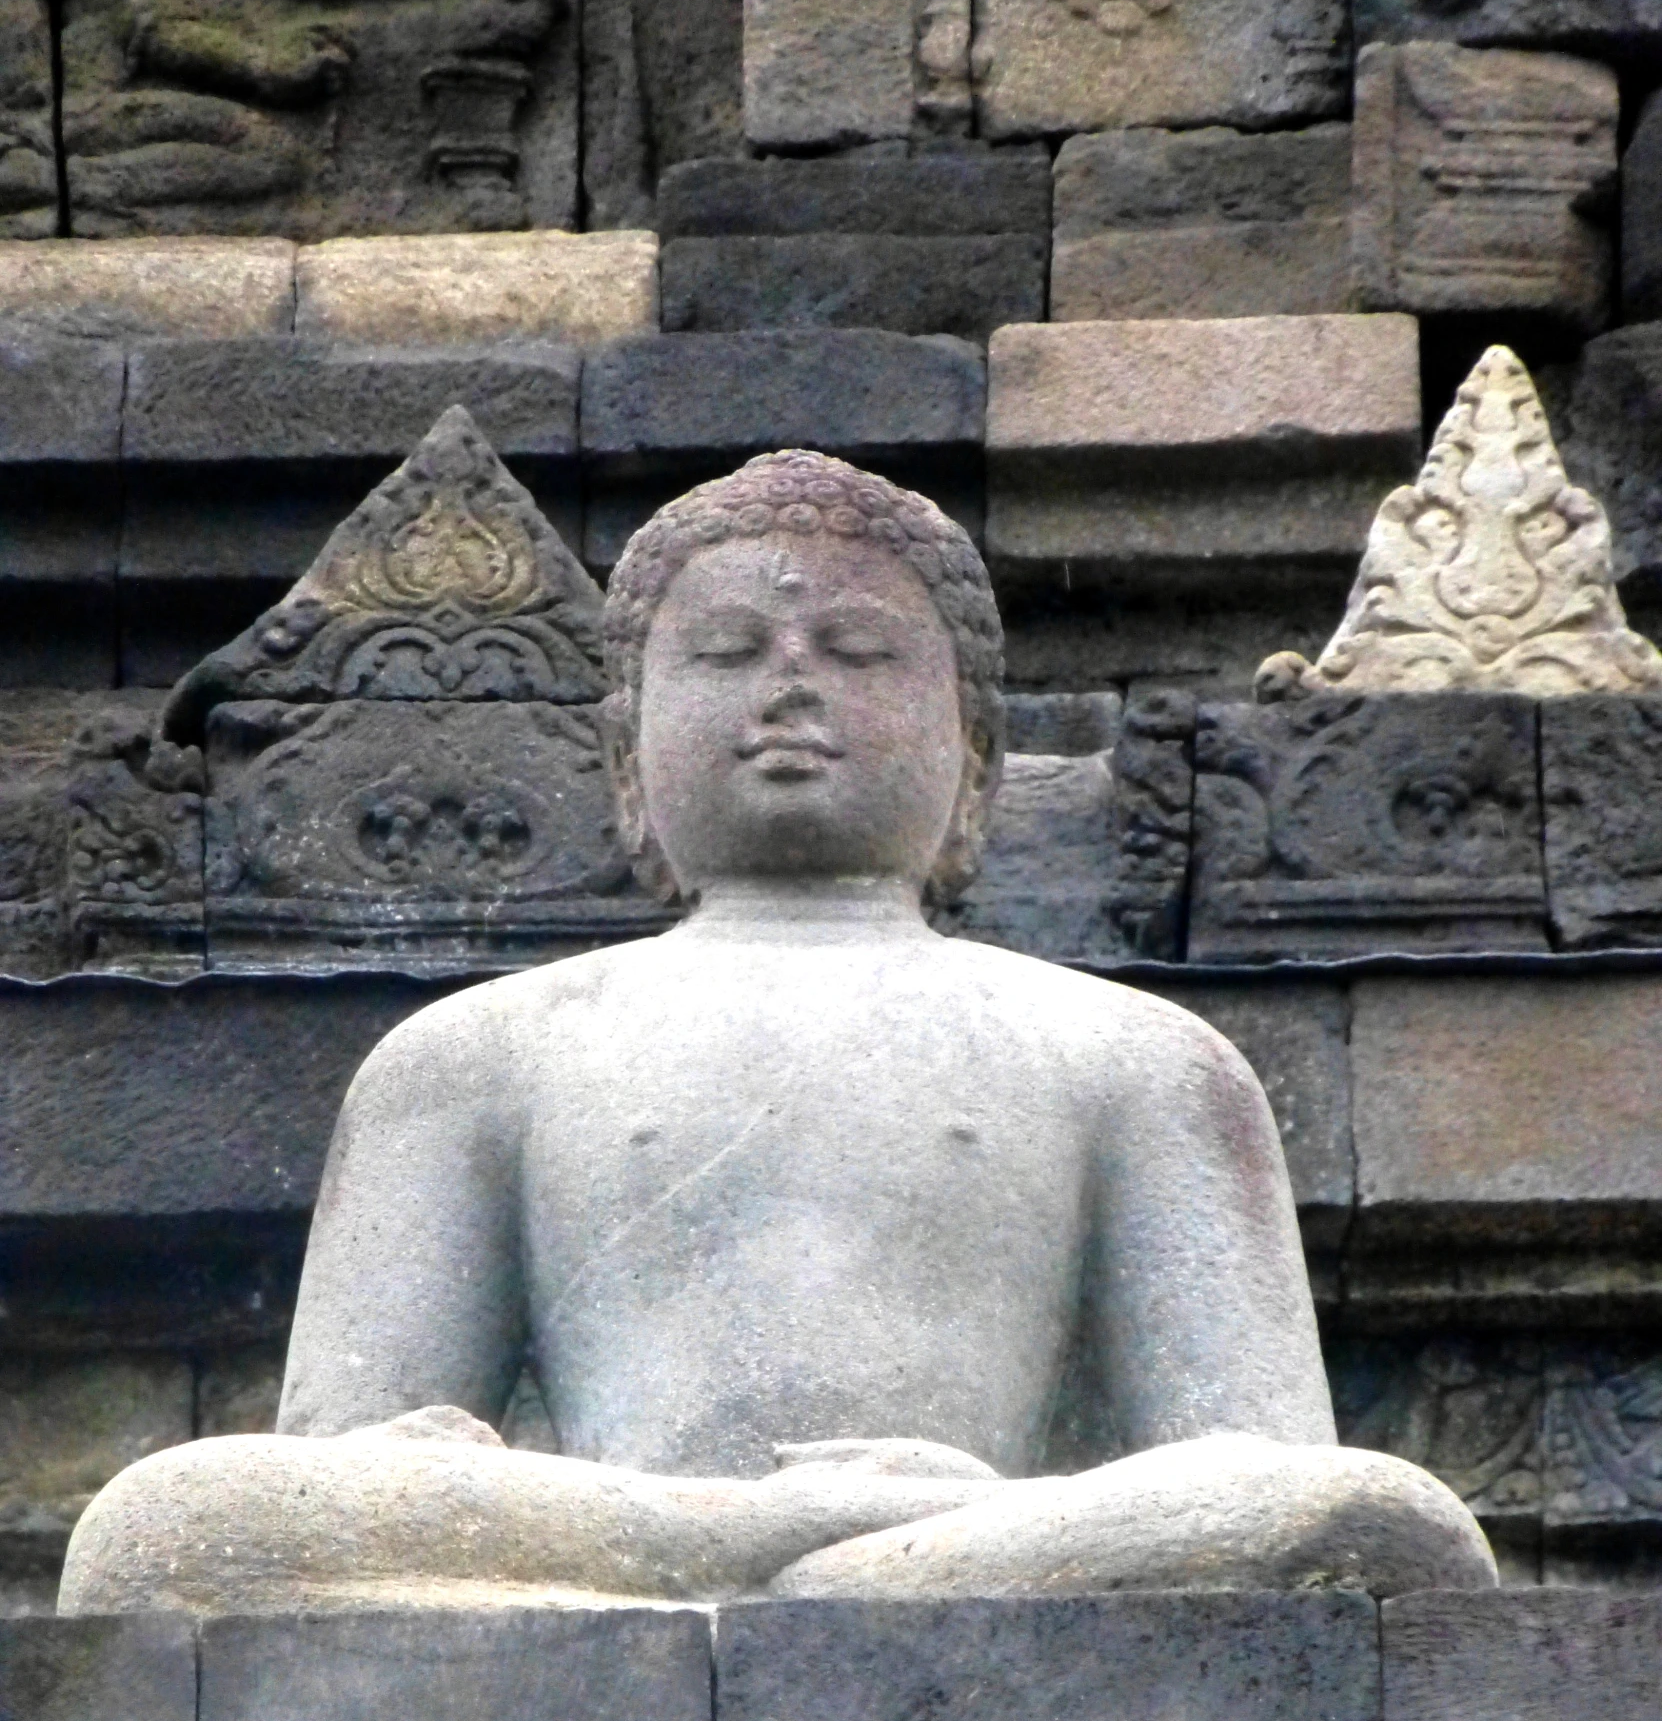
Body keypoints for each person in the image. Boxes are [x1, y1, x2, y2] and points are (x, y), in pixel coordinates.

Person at [60, 452, 1494, 1614]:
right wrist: (744, 1529)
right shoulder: (473, 1055)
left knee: (1382, 1518)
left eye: (859, 650)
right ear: (626, 760)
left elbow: (1248, 1464)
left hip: (983, 1544)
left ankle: (854, 1557)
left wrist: (1037, 1527)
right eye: (728, 650)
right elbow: (357, 1472)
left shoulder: (1134, 1057)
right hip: (694, 1555)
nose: (789, 684)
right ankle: (779, 1546)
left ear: (975, 755)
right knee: (164, 1529)